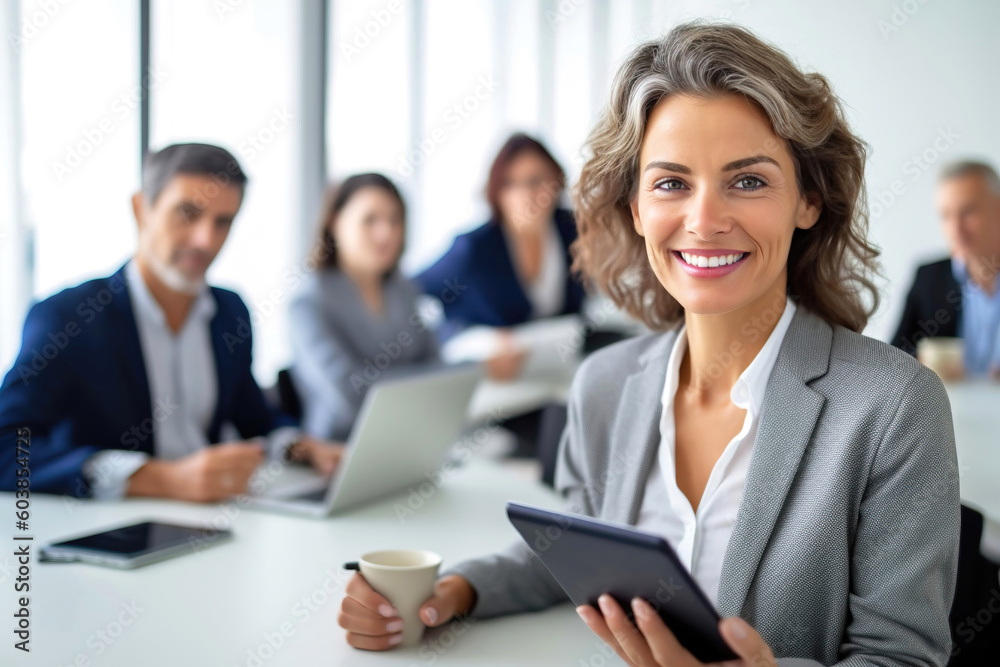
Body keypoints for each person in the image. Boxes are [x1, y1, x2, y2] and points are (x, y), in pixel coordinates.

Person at [337, 22, 959, 666]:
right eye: (671, 183)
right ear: (635, 207)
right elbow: (571, 549)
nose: (705, 220)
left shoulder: (892, 407)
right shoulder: (605, 384)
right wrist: (452, 593)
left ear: (808, 199)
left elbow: (902, 655)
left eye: (748, 181)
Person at [0, 143, 343, 501]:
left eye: (222, 222)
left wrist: (304, 447)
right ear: (141, 209)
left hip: (215, 519)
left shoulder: (229, 312)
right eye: (187, 213)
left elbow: (255, 418)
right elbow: (7, 447)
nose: (205, 239)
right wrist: (158, 479)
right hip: (118, 530)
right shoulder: (68, 317)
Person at [414, 133, 586, 382]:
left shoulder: (573, 231)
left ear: (556, 182)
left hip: (558, 376)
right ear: (496, 192)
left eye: (536, 181)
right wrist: (481, 341)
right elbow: (413, 294)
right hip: (494, 385)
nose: (526, 195)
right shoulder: (474, 248)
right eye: (510, 184)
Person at [289, 173, 440, 441]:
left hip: (412, 437)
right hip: (340, 448)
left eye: (395, 221)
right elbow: (351, 395)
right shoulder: (309, 302)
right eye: (370, 220)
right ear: (336, 222)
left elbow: (439, 364)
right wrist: (427, 382)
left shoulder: (402, 288)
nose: (386, 234)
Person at [891, 160, 1000, 379]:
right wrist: (923, 364)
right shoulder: (928, 278)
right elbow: (894, 356)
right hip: (952, 410)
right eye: (946, 215)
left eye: (968, 212)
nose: (955, 228)